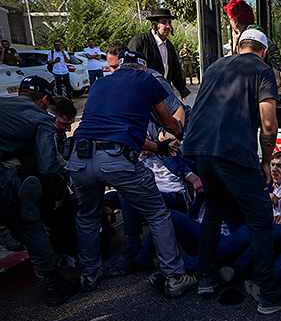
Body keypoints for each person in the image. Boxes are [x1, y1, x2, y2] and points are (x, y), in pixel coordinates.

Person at [182, 28, 281, 314]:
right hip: (233, 152)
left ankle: (205, 278)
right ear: (262, 51)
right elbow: (269, 123)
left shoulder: (214, 67)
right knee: (261, 220)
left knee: (213, 211)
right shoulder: (262, 70)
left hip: (200, 149)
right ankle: (270, 295)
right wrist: (266, 158)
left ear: (239, 47)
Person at [65, 50, 196, 297]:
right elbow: (168, 123)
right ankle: (175, 276)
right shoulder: (148, 80)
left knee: (88, 216)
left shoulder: (100, 83)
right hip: (116, 160)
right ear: (143, 68)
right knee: (157, 213)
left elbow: (113, 130)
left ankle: (89, 274)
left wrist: (158, 147)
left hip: (79, 157)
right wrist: (178, 133)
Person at [0, 75, 80, 307]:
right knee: (30, 223)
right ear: (45, 99)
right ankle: (55, 285)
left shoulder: (6, 106)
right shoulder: (41, 119)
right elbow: (47, 165)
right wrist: (62, 187)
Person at [217, 149, 281, 299]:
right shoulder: (263, 183)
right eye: (273, 165)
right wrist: (263, 197)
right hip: (263, 229)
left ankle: (266, 279)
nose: (274, 169)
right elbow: (242, 202)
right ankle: (235, 269)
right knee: (257, 233)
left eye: (280, 166)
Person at [128, 8, 190, 99]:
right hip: (145, 93)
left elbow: (176, 71)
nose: (168, 26)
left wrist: (183, 91)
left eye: (169, 23)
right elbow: (130, 68)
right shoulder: (140, 41)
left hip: (164, 93)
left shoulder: (169, 46)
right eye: (164, 22)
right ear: (155, 25)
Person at [223, 0, 281, 87]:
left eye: (230, 19)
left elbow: (273, 50)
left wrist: (276, 75)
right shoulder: (245, 33)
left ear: (235, 20)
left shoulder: (252, 32)